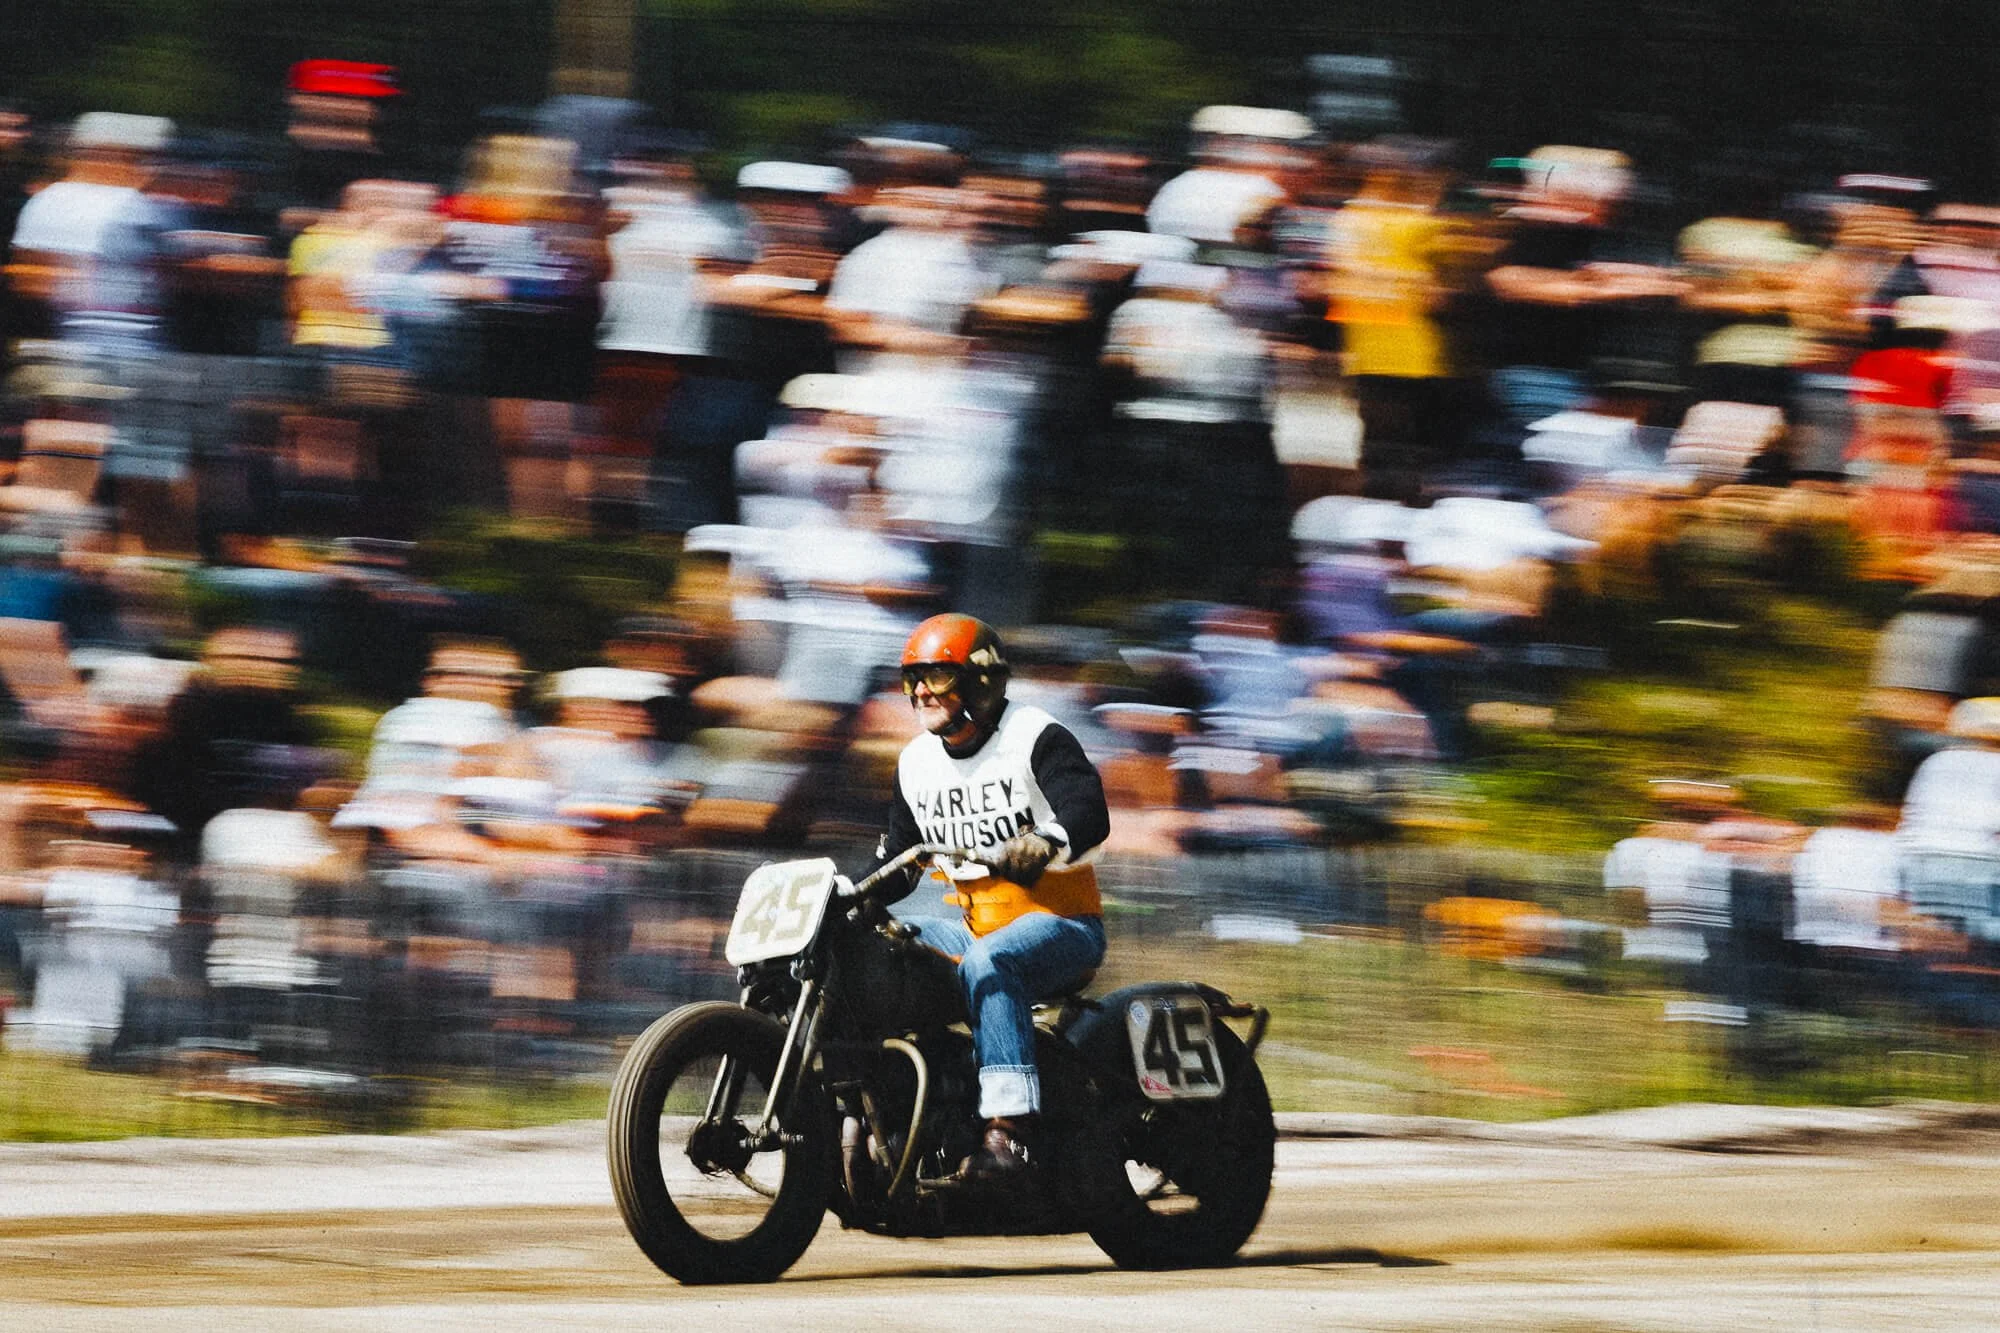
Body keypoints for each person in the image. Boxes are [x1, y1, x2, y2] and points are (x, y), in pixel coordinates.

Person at [877, 613, 1110, 1181]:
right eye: (912, 679)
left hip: (1062, 922)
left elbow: (1089, 811)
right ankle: (897, 1114)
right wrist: (846, 897)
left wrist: (1046, 840)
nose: (920, 691)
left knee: (992, 960)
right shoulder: (916, 764)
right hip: (972, 924)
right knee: (876, 951)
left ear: (979, 680)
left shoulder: (1034, 735)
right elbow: (898, 862)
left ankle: (1011, 1130)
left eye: (936, 675)